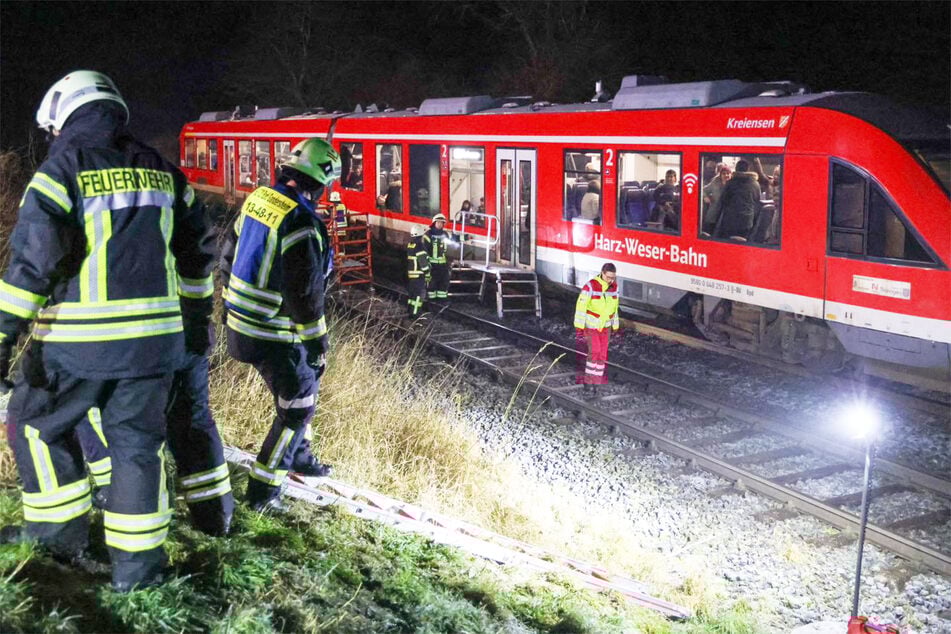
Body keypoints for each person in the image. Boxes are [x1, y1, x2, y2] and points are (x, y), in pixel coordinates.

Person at [0, 70, 216, 591]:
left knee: (33, 421)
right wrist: (195, 325)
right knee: (137, 447)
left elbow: (31, 268)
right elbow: (197, 256)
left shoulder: (62, 169)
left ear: (65, 117)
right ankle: (138, 573)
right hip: (155, 348)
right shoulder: (164, 171)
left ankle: (56, 537)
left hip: (79, 344)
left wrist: (3, 337)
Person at [220, 137, 340, 512]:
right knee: (297, 409)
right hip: (272, 332)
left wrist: (232, 305)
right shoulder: (302, 222)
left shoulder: (258, 200)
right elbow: (305, 294)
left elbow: (228, 251)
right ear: (319, 183)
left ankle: (301, 457)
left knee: (304, 387)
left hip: (239, 324)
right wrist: (318, 341)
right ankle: (263, 492)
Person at [573, 263, 619, 395]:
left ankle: (596, 383)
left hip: (606, 328)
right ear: (602, 273)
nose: (610, 280)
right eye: (608, 277)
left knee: (602, 355)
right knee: (595, 352)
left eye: (613, 278)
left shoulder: (614, 288)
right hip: (592, 327)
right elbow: (581, 308)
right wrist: (580, 327)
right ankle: (588, 381)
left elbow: (614, 309)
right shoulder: (590, 286)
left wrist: (615, 325)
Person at [714, 159, 761, 239]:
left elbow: (723, 200)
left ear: (736, 169)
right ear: (748, 169)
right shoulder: (755, 184)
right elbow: (757, 200)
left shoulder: (730, 183)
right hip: (747, 221)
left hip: (730, 221)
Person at [423, 213, 451, 303]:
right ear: (434, 223)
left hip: (443, 264)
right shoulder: (428, 235)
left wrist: (466, 237)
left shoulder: (445, 234)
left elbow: (454, 239)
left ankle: (441, 299)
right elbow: (424, 250)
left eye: (442, 223)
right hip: (432, 264)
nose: (440, 224)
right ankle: (432, 301)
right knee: (432, 283)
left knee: (444, 281)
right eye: (438, 222)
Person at [405, 225, 430, 318]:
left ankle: (410, 311)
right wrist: (427, 273)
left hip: (411, 274)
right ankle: (415, 314)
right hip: (419, 275)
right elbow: (423, 262)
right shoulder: (420, 246)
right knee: (418, 296)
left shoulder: (411, 244)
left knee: (412, 295)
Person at [702, 164, 732, 234]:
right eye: (724, 174)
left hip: (727, 215)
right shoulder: (715, 182)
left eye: (728, 173)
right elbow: (703, 190)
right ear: (720, 175)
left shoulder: (734, 184)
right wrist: (705, 197)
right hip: (714, 213)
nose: (726, 175)